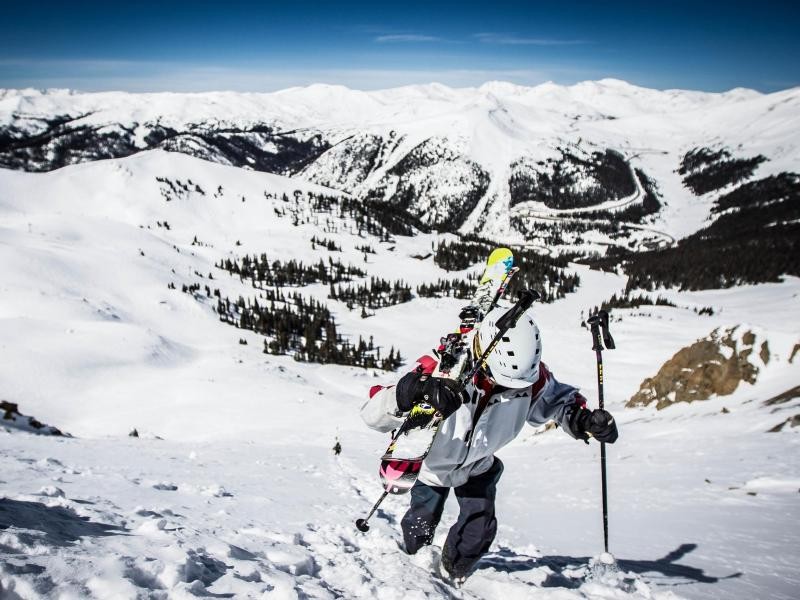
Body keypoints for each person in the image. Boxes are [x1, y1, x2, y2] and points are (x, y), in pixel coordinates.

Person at [360, 304, 618, 581]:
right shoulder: (437, 368)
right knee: (418, 527)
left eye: (517, 385)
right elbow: (373, 414)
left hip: (477, 465)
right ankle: (416, 569)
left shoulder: (530, 379)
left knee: (479, 531)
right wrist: (407, 394)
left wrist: (584, 420)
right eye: (502, 380)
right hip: (431, 468)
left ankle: (451, 574)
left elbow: (557, 401)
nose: (511, 389)